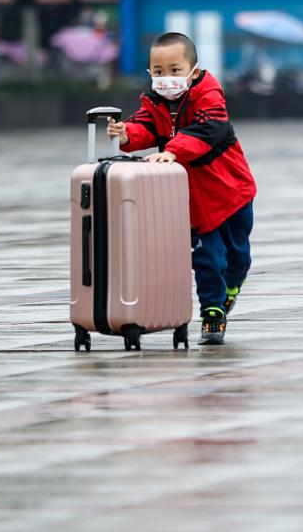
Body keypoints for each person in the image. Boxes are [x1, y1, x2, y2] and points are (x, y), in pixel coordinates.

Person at [107, 32, 256, 345]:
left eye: (175, 70)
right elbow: (145, 125)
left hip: (231, 192)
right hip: (192, 200)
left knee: (238, 257)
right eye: (158, 71)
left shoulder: (209, 95)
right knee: (207, 259)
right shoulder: (153, 100)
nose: (166, 78)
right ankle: (212, 313)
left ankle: (231, 287)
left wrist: (174, 150)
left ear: (193, 71)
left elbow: (209, 127)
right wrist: (126, 134)